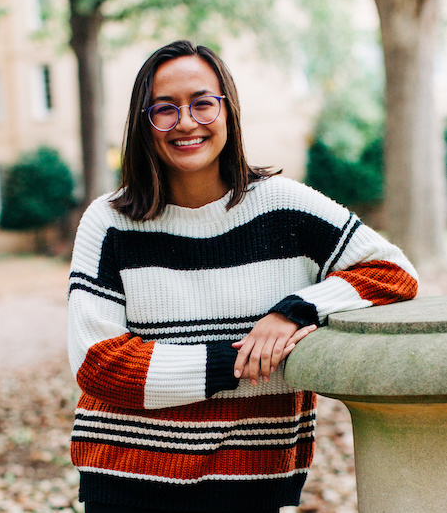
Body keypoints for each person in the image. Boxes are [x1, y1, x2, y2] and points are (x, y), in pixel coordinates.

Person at [68, 40, 418, 513]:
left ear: (228, 110)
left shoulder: (286, 207)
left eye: (202, 104)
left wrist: (293, 312)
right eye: (165, 109)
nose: (186, 122)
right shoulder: (109, 222)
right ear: (143, 124)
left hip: (254, 477)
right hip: (126, 479)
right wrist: (243, 361)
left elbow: (392, 272)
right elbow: (98, 365)